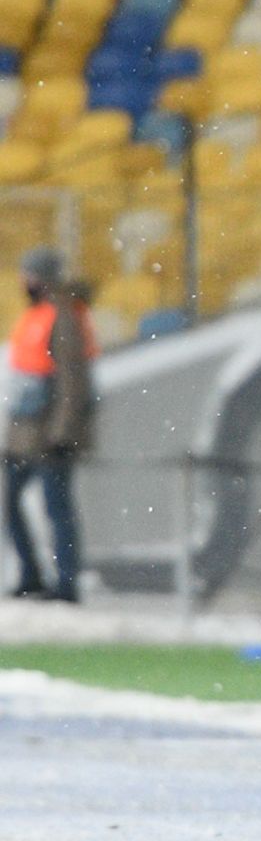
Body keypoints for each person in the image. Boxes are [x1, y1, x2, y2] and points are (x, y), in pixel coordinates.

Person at [5, 246, 98, 603]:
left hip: (49, 433)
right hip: (25, 432)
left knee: (56, 506)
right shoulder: (38, 314)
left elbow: (71, 381)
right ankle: (32, 574)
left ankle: (66, 582)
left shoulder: (63, 316)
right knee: (11, 501)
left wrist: (62, 432)